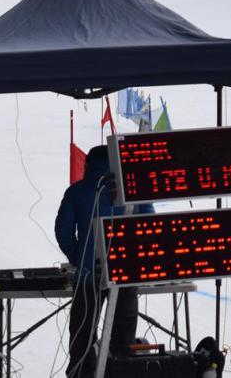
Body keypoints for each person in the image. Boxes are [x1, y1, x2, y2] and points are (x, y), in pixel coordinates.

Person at [55, 145, 139, 376]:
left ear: (88, 165)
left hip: (88, 275)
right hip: (126, 274)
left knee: (82, 337)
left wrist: (79, 256)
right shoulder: (132, 190)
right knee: (123, 340)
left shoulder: (76, 192)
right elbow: (149, 222)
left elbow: (63, 231)